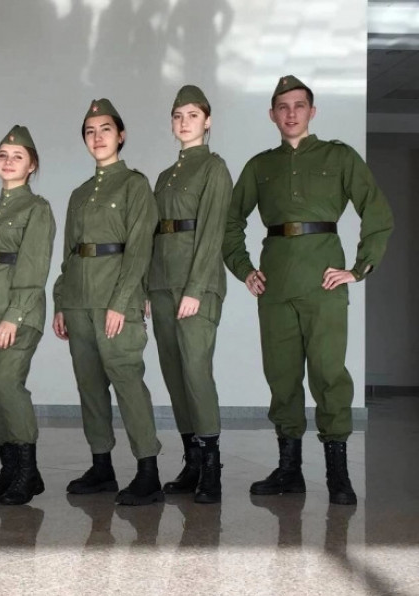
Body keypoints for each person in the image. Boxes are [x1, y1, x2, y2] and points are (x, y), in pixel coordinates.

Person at [223, 75, 394, 505]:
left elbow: (376, 210)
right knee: (281, 376)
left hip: (323, 281)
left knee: (328, 373)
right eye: (283, 106)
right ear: (272, 114)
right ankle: (289, 470)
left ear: (312, 111)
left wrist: (358, 269)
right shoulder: (260, 166)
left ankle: (338, 473)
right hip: (276, 283)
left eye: (299, 105)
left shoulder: (339, 157)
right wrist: (244, 269)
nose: (291, 113)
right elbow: (229, 222)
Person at [52, 98, 162, 506]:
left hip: (116, 299)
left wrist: (121, 301)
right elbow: (69, 254)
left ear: (121, 135)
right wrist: (60, 301)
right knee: (90, 386)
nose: (97, 137)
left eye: (105, 129)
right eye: (90, 131)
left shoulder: (134, 185)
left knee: (127, 382)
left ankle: (148, 471)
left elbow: (139, 249)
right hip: (79, 300)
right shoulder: (79, 194)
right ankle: (102, 467)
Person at [149, 85, 233, 504]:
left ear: (207, 121)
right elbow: (154, 235)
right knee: (174, 374)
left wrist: (195, 288)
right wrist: (148, 287)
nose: (184, 122)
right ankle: (192, 462)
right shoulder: (165, 177)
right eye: (178, 116)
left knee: (197, 372)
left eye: (193, 115)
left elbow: (212, 232)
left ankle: (212, 468)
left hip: (195, 286)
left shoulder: (214, 168)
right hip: (163, 284)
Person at [0, 125, 56, 506]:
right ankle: (10, 469)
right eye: (3, 155)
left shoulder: (37, 209)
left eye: (17, 156)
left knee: (7, 383)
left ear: (31, 165)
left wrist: (14, 314)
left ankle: (28, 471)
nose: (8, 161)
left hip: (18, 309)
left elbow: (34, 266)